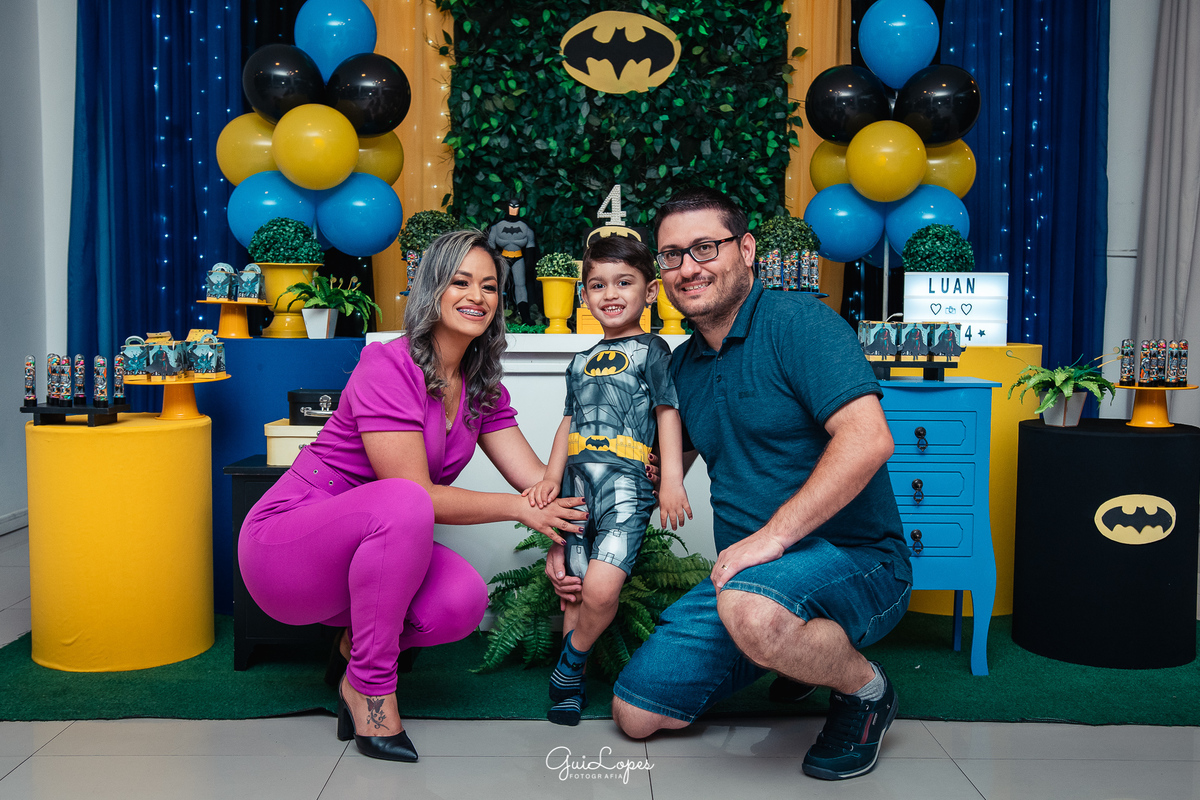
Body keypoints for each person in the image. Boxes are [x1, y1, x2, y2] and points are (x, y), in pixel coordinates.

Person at [547, 187, 913, 781]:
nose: (688, 267)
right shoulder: (681, 367)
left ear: (745, 250)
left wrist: (772, 537)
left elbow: (869, 440)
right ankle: (789, 652)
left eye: (705, 247)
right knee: (636, 713)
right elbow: (641, 476)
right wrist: (569, 539)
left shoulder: (800, 324)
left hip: (857, 560)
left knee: (753, 610)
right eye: (672, 255)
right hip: (745, 581)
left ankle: (867, 691)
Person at [239, 229, 587, 763]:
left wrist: (611, 462)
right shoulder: (388, 364)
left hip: (369, 554)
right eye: (461, 282)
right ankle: (372, 691)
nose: (477, 296)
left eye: (489, 286)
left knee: (462, 600)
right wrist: (517, 510)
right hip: (289, 546)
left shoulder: (481, 385)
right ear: (432, 289)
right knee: (405, 501)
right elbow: (415, 494)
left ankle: (353, 657)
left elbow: (538, 483)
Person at [525, 235, 691, 727]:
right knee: (576, 588)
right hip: (577, 489)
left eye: (624, 282)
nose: (610, 293)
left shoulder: (653, 350)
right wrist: (551, 478)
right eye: (597, 285)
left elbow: (667, 411)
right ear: (583, 295)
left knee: (601, 589)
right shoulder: (579, 360)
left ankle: (569, 662)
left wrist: (671, 480)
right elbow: (569, 420)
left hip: (626, 488)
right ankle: (571, 684)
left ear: (650, 291)